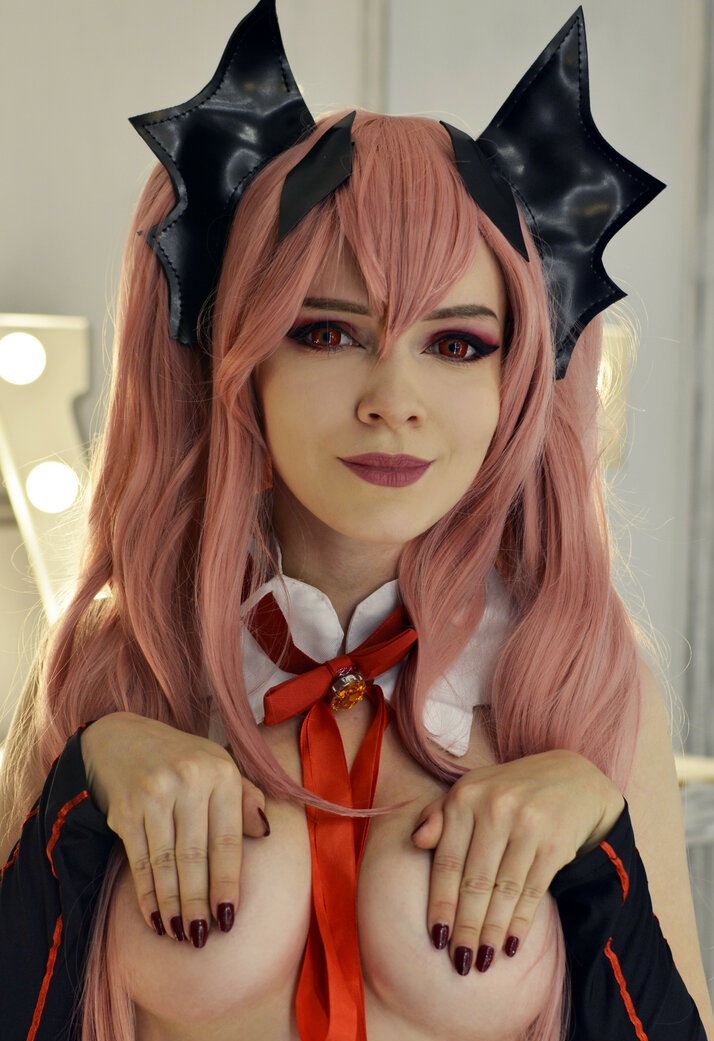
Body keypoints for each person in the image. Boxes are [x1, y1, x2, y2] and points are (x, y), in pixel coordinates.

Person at [0, 2, 711, 1039]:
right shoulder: (121, 671)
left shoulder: (580, 685)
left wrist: (599, 844)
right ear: (235, 352)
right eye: (327, 332)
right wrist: (86, 781)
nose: (393, 400)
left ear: (518, 376)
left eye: (457, 344)